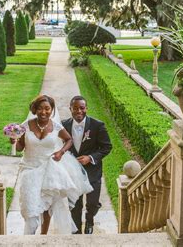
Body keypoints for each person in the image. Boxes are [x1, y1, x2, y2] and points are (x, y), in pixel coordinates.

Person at [9, 95, 93, 235]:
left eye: (47, 109)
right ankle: (28, 238)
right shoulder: (25, 125)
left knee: (47, 205)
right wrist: (14, 142)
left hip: (50, 169)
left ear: (52, 110)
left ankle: (43, 236)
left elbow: (68, 140)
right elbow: (20, 147)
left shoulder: (56, 126)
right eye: (40, 108)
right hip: (29, 169)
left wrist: (61, 152)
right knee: (30, 209)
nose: (44, 112)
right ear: (35, 109)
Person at [62, 95, 112, 234]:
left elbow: (106, 147)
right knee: (76, 204)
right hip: (73, 172)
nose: (79, 111)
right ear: (70, 109)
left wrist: (90, 158)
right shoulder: (64, 125)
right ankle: (77, 230)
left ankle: (89, 220)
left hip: (92, 172)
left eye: (82, 108)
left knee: (93, 203)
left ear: (86, 108)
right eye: (75, 108)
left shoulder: (97, 125)